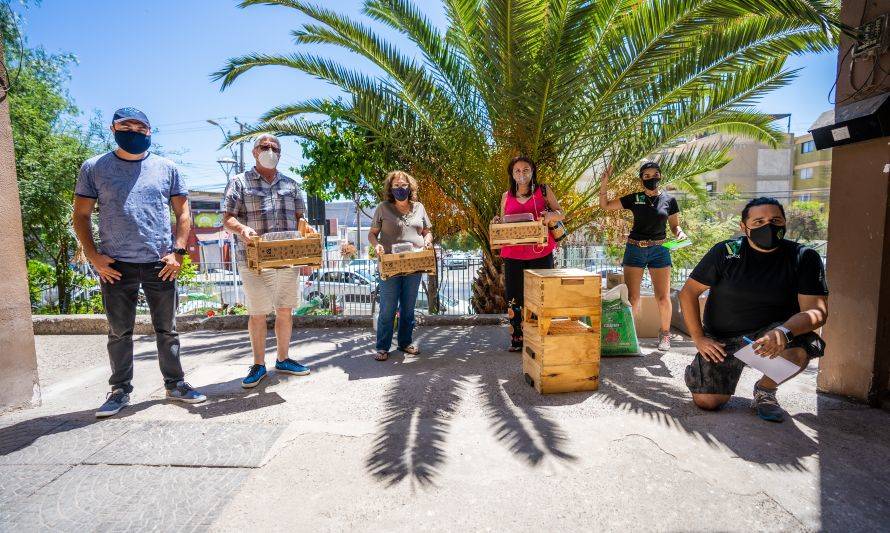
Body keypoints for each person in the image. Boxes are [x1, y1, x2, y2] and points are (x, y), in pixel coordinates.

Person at [72, 107, 207, 418]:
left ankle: (175, 384)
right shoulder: (94, 168)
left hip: (161, 262)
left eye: (139, 126)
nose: (132, 130)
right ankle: (120, 390)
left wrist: (178, 252)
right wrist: (94, 257)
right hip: (115, 265)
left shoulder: (167, 168)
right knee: (119, 331)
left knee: (167, 329)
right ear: (113, 128)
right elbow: (80, 215)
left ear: (149, 131)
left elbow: (184, 214)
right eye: (125, 125)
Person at [678, 197, 829, 422]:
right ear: (744, 227)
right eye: (758, 222)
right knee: (708, 402)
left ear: (784, 223)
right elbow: (688, 293)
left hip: (768, 337)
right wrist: (699, 338)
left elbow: (817, 312)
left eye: (775, 220)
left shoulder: (804, 257)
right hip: (721, 339)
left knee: (801, 348)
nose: (768, 226)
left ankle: (765, 390)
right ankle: (700, 370)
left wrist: (784, 332)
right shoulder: (726, 252)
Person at [223, 134, 315, 388]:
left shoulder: (291, 185)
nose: (270, 150)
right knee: (258, 312)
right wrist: (243, 230)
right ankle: (258, 364)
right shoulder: (239, 182)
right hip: (253, 260)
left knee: (285, 310)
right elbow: (228, 218)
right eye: (264, 147)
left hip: (287, 259)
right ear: (254, 152)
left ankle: (283, 359)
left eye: (275, 147)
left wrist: (308, 241)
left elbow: (301, 219)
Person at [599, 161, 687, 351]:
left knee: (663, 298)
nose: (651, 179)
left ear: (660, 176)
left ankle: (665, 335)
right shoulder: (635, 198)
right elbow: (605, 205)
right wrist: (604, 182)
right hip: (635, 249)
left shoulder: (669, 200)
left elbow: (674, 226)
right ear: (641, 180)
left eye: (654, 175)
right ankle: (631, 337)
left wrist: (680, 233)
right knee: (633, 297)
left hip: (660, 250)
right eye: (646, 176)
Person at [496, 156, 565, 352]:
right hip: (513, 254)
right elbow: (503, 221)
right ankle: (517, 338)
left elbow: (562, 213)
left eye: (525, 169)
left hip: (540, 252)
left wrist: (551, 215)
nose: (521, 174)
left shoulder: (543, 191)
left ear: (532, 171)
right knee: (514, 297)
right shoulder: (506, 196)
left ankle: (539, 337)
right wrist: (497, 222)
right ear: (512, 174)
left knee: (541, 296)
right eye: (517, 170)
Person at [368, 171, 433, 361]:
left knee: (408, 307)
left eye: (403, 185)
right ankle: (383, 347)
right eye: (396, 185)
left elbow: (427, 231)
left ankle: (405, 342)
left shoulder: (419, 208)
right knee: (388, 307)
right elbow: (372, 234)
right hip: (390, 264)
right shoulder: (383, 208)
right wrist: (376, 245)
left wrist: (427, 241)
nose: (400, 188)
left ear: (410, 187)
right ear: (390, 188)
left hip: (414, 263)